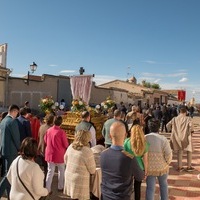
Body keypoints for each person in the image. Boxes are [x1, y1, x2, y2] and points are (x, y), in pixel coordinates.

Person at [100, 121, 144, 200]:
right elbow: (140, 176)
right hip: (122, 197)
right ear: (125, 136)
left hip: (106, 196)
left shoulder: (103, 155)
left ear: (110, 136)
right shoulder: (129, 158)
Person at [64, 130, 96, 200]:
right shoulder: (87, 151)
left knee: (73, 197)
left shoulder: (70, 147)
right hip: (80, 179)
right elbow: (92, 170)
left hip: (69, 175)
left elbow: (65, 160)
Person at [145, 118, 172, 200]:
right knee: (163, 185)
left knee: (150, 188)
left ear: (149, 127)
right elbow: (168, 154)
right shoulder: (163, 139)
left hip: (149, 167)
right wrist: (168, 162)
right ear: (159, 127)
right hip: (162, 167)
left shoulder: (144, 138)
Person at [0, 104, 20, 199]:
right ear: (14, 111)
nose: (17, 115)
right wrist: (20, 148)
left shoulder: (3, 121)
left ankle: (9, 195)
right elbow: (16, 137)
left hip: (4, 150)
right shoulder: (12, 122)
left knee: (8, 173)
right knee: (8, 175)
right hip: (11, 151)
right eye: (17, 113)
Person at [44, 116, 69, 194]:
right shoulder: (61, 132)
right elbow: (65, 144)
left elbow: (45, 140)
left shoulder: (48, 130)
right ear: (61, 123)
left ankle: (47, 189)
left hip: (50, 153)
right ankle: (60, 187)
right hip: (59, 154)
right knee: (61, 171)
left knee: (50, 171)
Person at [124, 124, 149, 200]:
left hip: (128, 167)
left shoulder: (126, 141)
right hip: (139, 167)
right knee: (137, 187)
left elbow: (124, 155)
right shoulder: (145, 144)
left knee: (127, 187)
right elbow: (145, 160)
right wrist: (146, 171)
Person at [166, 106, 194, 172]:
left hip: (177, 137)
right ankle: (189, 166)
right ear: (186, 112)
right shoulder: (188, 118)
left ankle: (179, 167)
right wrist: (191, 132)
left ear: (179, 112)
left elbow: (167, 125)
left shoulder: (174, 119)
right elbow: (191, 127)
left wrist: (171, 130)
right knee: (189, 151)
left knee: (179, 152)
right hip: (186, 137)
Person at [37, 114, 55, 182]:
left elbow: (39, 136)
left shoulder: (41, 127)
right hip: (47, 149)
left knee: (45, 167)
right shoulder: (50, 129)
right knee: (48, 168)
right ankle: (46, 183)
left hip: (41, 148)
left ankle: (44, 181)